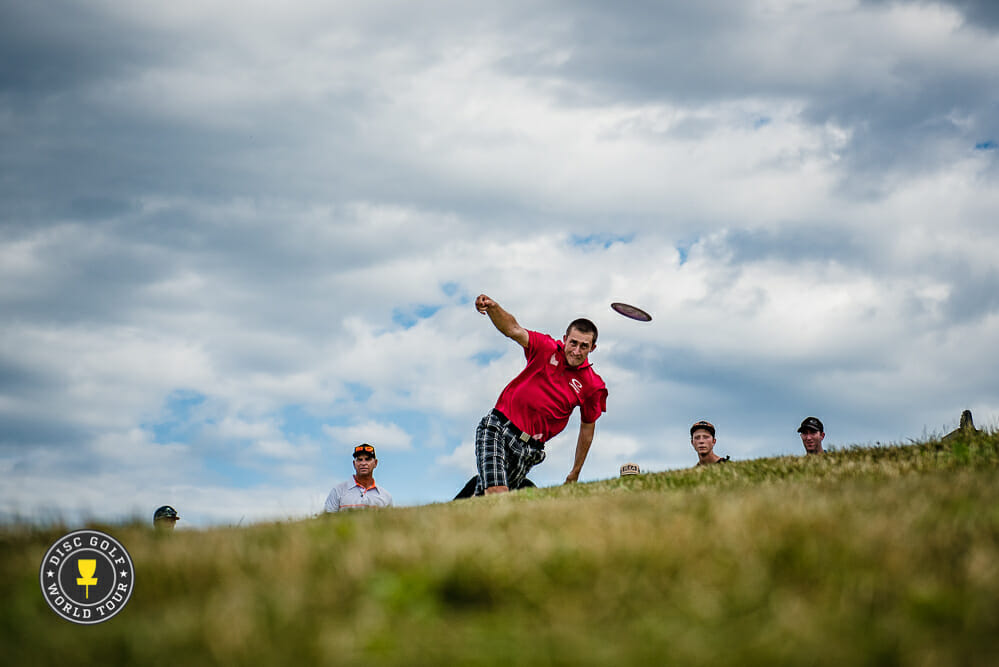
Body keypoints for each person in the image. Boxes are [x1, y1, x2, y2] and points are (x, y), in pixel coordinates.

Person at [470, 294, 608, 495]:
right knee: (497, 493)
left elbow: (587, 429)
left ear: (592, 348)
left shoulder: (593, 386)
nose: (576, 351)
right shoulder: (546, 348)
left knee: (488, 502)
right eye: (573, 343)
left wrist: (575, 472)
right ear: (565, 339)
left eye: (584, 346)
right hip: (498, 428)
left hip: (529, 451)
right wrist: (493, 307)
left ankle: (455, 517)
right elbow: (513, 329)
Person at [324, 443, 394, 512]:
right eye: (359, 460)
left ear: (375, 463)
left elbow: (389, 521)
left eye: (367, 459)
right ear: (354, 464)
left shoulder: (385, 496)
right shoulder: (338, 491)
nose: (363, 463)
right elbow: (327, 519)